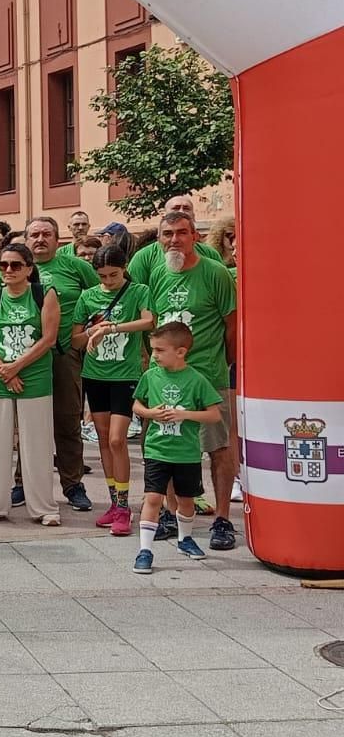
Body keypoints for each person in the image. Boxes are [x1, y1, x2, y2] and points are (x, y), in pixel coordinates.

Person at [149, 209, 239, 550]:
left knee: (218, 449)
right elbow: (157, 324)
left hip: (206, 377)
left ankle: (223, 520)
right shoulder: (159, 274)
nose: (174, 240)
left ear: (195, 237)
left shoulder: (215, 273)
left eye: (181, 233)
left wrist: (223, 363)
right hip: (166, 380)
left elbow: (232, 327)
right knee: (169, 449)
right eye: (167, 234)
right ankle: (172, 515)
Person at [0, 242, 64, 526]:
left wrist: (16, 367)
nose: (8, 270)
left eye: (15, 265)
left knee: (36, 442)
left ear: (29, 268)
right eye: (3, 265)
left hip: (33, 378)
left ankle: (44, 507)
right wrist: (4, 370)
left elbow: (48, 338)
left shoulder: (44, 295)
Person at [72, 244, 155, 538]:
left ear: (125, 269)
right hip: (95, 375)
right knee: (104, 440)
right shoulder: (87, 296)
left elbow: (149, 321)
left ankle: (124, 506)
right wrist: (92, 332)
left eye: (114, 275)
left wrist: (113, 327)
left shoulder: (138, 291)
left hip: (125, 374)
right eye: (102, 276)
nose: (107, 282)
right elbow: (76, 340)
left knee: (119, 439)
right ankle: (115, 502)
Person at [21, 216, 100, 512]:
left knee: (67, 420)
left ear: (57, 239)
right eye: (34, 234)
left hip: (65, 355)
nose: (40, 239)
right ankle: (22, 482)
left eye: (46, 234)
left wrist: (89, 333)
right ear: (26, 239)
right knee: (26, 424)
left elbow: (102, 298)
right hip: (24, 357)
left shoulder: (76, 266)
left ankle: (72, 484)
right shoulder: (16, 264)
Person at [131, 322, 223, 574]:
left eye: (160, 350)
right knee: (152, 498)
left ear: (180, 351)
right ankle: (145, 550)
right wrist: (150, 412)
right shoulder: (150, 376)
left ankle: (185, 538)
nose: (155, 356)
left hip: (186, 452)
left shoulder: (196, 379)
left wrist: (187, 414)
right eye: (153, 350)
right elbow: (137, 405)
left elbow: (214, 414)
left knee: (186, 500)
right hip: (156, 450)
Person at [127, 194, 223, 287]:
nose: (181, 212)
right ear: (163, 215)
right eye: (176, 208)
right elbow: (133, 295)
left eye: (186, 208)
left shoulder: (210, 254)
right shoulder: (143, 258)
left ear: (193, 216)